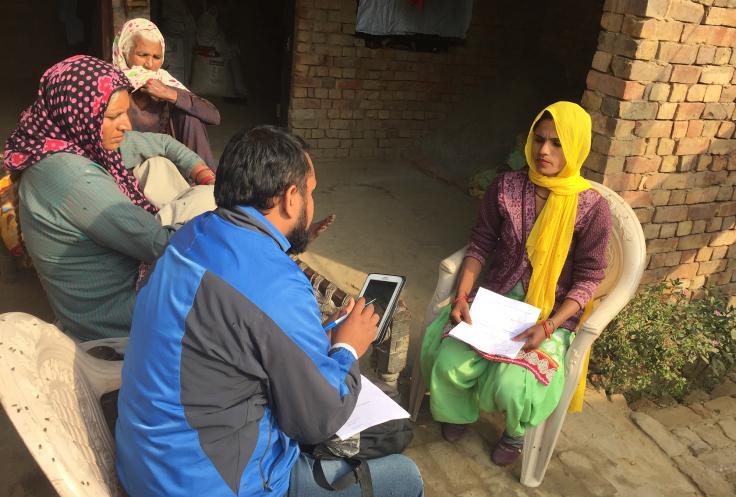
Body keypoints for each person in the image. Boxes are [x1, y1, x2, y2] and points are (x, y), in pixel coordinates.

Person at [115, 125, 424, 497]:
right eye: (311, 192)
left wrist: (311, 339)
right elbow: (320, 419)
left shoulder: (192, 234)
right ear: (291, 198)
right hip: (212, 485)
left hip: (147, 466)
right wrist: (348, 349)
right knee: (404, 475)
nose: (312, 204)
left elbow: (237, 332)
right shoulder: (278, 284)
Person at [420, 101, 611, 466]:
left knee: (514, 385)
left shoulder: (591, 207)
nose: (543, 151)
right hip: (496, 300)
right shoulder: (506, 186)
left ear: (577, 146)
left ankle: (515, 432)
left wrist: (550, 325)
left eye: (557, 143)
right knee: (449, 360)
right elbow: (480, 244)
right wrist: (462, 295)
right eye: (539, 139)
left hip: (550, 313)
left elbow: (589, 279)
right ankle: (457, 412)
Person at [3, 55, 216, 342]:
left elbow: (160, 143)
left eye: (125, 113)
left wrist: (202, 174)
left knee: (162, 168)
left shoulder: (65, 141)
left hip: (107, 292)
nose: (126, 125)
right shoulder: (72, 176)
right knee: (212, 219)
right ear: (77, 113)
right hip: (116, 315)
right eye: (113, 116)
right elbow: (160, 244)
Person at [112, 18, 221, 169]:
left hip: (169, 159)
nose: (149, 65)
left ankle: (203, 181)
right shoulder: (110, 83)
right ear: (124, 52)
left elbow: (214, 117)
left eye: (156, 57)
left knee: (190, 116)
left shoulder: (164, 81)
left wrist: (170, 94)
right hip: (125, 162)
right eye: (142, 55)